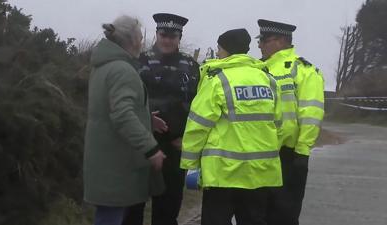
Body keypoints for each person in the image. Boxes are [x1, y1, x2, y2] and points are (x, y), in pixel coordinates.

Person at [180, 28, 283, 225]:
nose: (217, 53)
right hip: (260, 174)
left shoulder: (218, 81)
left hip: (223, 175)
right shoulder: (268, 80)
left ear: (227, 50)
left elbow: (198, 126)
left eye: (219, 48)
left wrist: (190, 165)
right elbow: (278, 125)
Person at [83, 15, 166, 225]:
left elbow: (108, 107)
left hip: (104, 161)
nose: (142, 41)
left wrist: (146, 119)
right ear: (131, 40)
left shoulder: (103, 66)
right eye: (140, 36)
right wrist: (151, 148)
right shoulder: (122, 70)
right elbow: (121, 114)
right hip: (117, 167)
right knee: (110, 219)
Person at [122, 13, 199, 225]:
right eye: (163, 35)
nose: (167, 40)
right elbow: (129, 100)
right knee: (133, 205)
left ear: (179, 38)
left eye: (172, 36)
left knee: (168, 207)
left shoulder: (191, 66)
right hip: (143, 144)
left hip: (174, 147)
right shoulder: (139, 60)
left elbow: (197, 105)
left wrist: (186, 137)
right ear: (156, 34)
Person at [256, 19, 325, 225]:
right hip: (257, 155)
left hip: (288, 156)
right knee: (255, 215)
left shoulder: (303, 70)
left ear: (281, 40)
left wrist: (302, 152)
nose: (259, 45)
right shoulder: (256, 70)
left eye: (264, 40)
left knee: (284, 215)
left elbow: (311, 114)